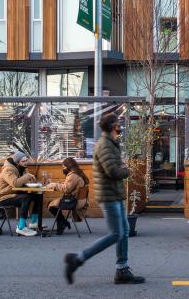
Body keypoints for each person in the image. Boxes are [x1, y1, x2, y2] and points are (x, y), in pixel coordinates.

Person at [64, 113, 145, 285]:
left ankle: (122, 269)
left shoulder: (111, 143)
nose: (120, 125)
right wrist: (127, 169)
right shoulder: (105, 145)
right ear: (111, 125)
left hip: (114, 194)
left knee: (123, 232)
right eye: (117, 122)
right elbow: (113, 171)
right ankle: (78, 258)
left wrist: (121, 167)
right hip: (109, 196)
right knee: (116, 234)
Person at [0, 151, 42, 236]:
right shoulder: (8, 169)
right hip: (2, 197)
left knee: (37, 195)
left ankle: (34, 222)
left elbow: (24, 182)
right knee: (26, 198)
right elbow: (15, 183)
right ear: (17, 162)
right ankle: (21, 228)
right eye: (23, 161)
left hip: (13, 194)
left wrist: (32, 181)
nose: (25, 163)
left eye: (26, 161)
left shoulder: (22, 168)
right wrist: (27, 176)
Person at [48, 157, 89, 235]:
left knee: (50, 205)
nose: (63, 169)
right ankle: (63, 223)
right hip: (81, 201)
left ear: (68, 167)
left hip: (73, 202)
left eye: (64, 167)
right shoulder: (78, 173)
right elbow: (69, 186)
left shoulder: (73, 175)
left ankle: (63, 223)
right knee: (53, 204)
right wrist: (58, 184)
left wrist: (54, 185)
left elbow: (66, 189)